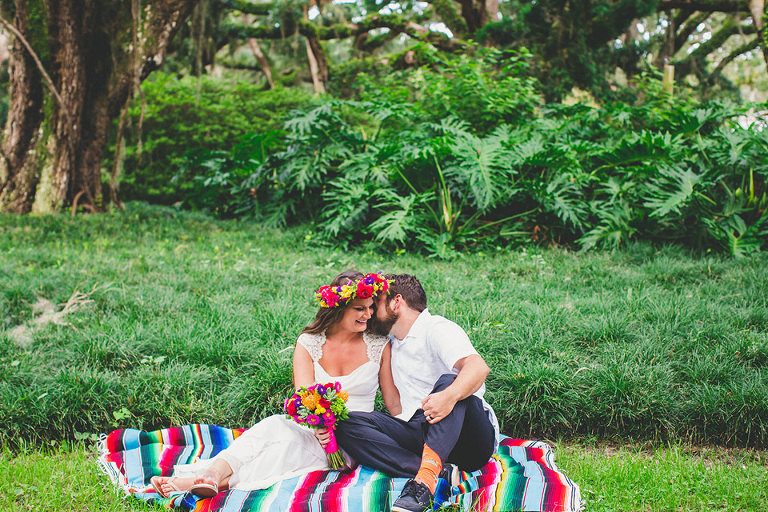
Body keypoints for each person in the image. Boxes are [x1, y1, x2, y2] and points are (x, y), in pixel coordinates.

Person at [150, 271, 399, 498]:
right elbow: (304, 399)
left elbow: (393, 404)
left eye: (370, 308)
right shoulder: (309, 343)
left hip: (353, 439)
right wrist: (318, 427)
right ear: (337, 309)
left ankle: (197, 482)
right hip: (313, 428)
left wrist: (407, 437)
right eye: (360, 309)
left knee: (284, 450)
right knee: (272, 427)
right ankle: (213, 474)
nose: (368, 314)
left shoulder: (379, 345)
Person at [335, 274, 499, 512]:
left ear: (396, 302)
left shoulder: (437, 328)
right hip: (421, 431)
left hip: (468, 436)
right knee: (343, 421)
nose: (370, 313)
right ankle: (437, 471)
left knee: (450, 381)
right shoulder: (391, 343)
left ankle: (422, 484)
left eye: (377, 303)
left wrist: (448, 397)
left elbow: (478, 368)